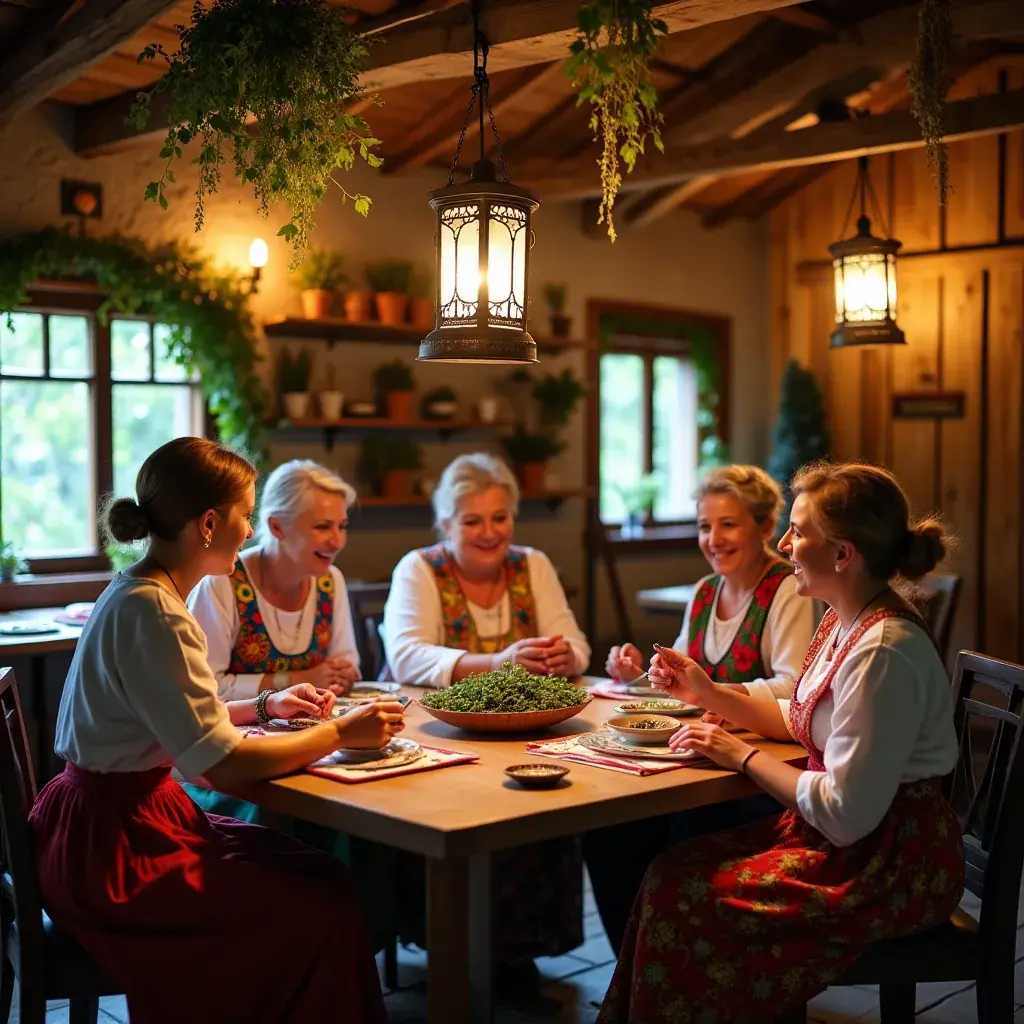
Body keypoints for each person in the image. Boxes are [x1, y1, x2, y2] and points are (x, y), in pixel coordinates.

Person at [29, 438, 404, 1024]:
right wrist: (340, 733)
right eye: (246, 514)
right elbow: (221, 766)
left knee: (320, 870)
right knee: (322, 903)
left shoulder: (138, 592)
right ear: (208, 523)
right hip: (116, 853)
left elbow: (171, 714)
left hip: (92, 823)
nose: (251, 528)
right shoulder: (156, 614)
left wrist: (265, 705)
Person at [597, 461, 964, 1023]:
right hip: (859, 844)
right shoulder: (846, 622)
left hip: (889, 866)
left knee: (681, 897)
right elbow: (799, 719)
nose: (786, 543)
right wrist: (707, 691)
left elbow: (845, 813)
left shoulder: (882, 650)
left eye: (798, 531)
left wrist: (737, 753)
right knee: (665, 871)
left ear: (842, 554)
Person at [382, 452, 590, 1004]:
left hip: (527, 731)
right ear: (445, 525)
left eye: (499, 518)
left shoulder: (534, 565)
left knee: (546, 802)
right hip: (437, 734)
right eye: (471, 520)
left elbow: (578, 644)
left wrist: (560, 655)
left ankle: (515, 952)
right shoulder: (419, 568)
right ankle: (453, 946)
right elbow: (406, 658)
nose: (489, 532)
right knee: (462, 812)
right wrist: (500, 662)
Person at [587, 465, 816, 952]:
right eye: (704, 526)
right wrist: (642, 674)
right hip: (696, 763)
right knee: (606, 830)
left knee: (675, 837)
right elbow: (678, 678)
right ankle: (638, 965)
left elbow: (795, 687)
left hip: (755, 776)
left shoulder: (787, 590)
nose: (714, 538)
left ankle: (674, 964)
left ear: (763, 526)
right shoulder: (705, 592)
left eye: (728, 524)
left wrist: (710, 690)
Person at [185, 459, 398, 943]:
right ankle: (290, 943)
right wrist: (299, 676)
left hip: (314, 749)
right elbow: (209, 689)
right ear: (276, 527)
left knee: (374, 809)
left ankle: (355, 945)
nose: (337, 539)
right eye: (322, 525)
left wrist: (323, 678)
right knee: (285, 817)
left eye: (341, 525)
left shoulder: (330, 582)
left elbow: (346, 667)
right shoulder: (223, 581)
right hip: (229, 763)